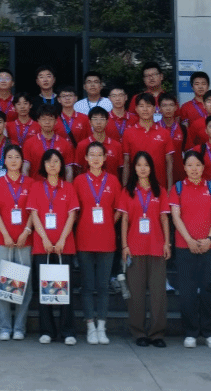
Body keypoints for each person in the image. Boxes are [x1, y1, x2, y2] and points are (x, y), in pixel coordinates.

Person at [170, 150, 211, 349]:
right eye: (190, 165)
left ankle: (210, 332)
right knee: (188, 291)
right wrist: (189, 240)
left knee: (209, 290)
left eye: (198, 165)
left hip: (210, 247)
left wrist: (209, 239)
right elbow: (176, 217)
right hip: (185, 247)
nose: (194, 169)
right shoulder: (177, 188)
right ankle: (191, 332)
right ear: (184, 168)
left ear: (203, 167)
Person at [27, 148, 79, 345]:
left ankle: (68, 331)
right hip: (43, 246)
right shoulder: (36, 187)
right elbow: (34, 215)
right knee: (45, 289)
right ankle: (47, 330)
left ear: (61, 165)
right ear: (44, 165)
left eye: (56, 161)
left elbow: (72, 215)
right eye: (49, 161)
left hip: (65, 245)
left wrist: (62, 239)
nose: (52, 164)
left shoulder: (68, 187)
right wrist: (45, 239)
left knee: (65, 290)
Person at [73, 141, 122, 345]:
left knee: (102, 286)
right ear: (86, 158)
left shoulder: (113, 181)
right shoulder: (78, 181)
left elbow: (119, 209)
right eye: (91, 154)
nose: (95, 158)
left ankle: (102, 326)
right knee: (87, 286)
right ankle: (90, 326)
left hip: (106, 239)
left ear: (104, 158)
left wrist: (109, 222)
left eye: (99, 155)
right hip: (84, 238)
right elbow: (74, 211)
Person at [120, 151, 170, 347]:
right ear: (134, 168)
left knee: (158, 294)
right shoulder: (128, 191)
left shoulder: (160, 191)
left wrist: (167, 243)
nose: (142, 168)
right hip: (134, 248)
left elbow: (164, 218)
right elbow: (124, 220)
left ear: (151, 168)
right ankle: (139, 332)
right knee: (136, 294)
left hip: (156, 247)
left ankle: (157, 333)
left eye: (146, 165)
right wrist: (124, 245)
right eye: (139, 165)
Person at [0, 144, 32, 340]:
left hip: (25, 240)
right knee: (3, 283)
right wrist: (5, 234)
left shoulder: (30, 183)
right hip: (2, 240)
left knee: (25, 284)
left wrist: (26, 232)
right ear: (4, 161)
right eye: (10, 157)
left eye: (17, 157)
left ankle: (19, 327)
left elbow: (34, 211)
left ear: (22, 161)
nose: (13, 160)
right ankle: (5, 327)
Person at [122, 94, 176, 190]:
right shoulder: (128, 133)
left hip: (160, 187)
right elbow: (126, 163)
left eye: (148, 106)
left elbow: (169, 164)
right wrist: (124, 189)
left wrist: (169, 190)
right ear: (136, 109)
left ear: (155, 109)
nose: (145, 109)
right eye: (141, 106)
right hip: (136, 188)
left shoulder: (164, 133)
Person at [22, 105, 75, 180]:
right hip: (36, 185)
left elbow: (68, 170)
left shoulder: (65, 143)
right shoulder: (29, 143)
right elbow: (25, 168)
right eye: (44, 119)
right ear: (38, 121)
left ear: (56, 121)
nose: (47, 122)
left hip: (58, 185)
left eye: (50, 119)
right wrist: (27, 185)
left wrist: (67, 186)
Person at [74, 106, 124, 181]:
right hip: (88, 185)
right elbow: (78, 169)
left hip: (111, 185)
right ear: (90, 122)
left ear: (107, 122)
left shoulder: (117, 146)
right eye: (95, 119)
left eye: (102, 119)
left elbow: (120, 170)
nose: (98, 122)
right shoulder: (82, 145)